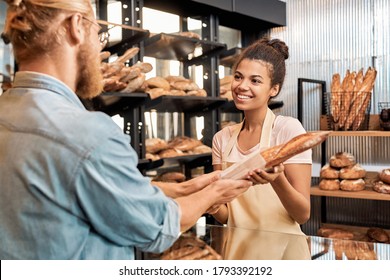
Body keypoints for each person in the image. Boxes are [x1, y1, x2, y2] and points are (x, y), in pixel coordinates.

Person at [0, 0, 253, 260]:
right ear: (75, 26)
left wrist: (182, 189)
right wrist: (215, 192)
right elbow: (158, 228)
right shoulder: (89, 134)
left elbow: (72, 187)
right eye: (97, 32)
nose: (99, 44)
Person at [210, 38, 312, 259]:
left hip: (286, 254)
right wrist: (208, 201)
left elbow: (302, 214)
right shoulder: (222, 139)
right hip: (239, 252)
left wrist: (277, 179)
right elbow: (228, 216)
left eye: (255, 80)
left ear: (273, 89)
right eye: (238, 77)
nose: (242, 86)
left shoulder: (287, 130)